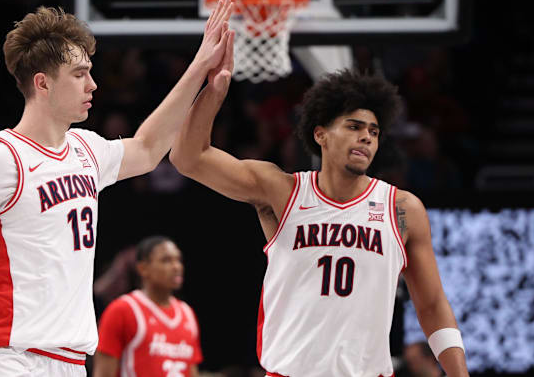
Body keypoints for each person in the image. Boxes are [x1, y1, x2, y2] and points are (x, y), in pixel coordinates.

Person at [0, 0, 234, 377]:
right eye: (79, 74)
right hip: (8, 358)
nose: (93, 83)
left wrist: (201, 67)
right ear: (42, 82)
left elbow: (148, 148)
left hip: (70, 362)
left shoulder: (86, 149)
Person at [169, 48, 469, 376]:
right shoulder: (281, 190)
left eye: (373, 131)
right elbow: (188, 157)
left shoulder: (401, 208)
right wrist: (213, 91)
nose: (366, 137)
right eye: (354, 126)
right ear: (320, 133)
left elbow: (432, 305)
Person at [94, 236, 202, 377]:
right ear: (143, 268)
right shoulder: (122, 310)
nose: (176, 267)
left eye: (178, 260)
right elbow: (103, 373)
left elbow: (191, 371)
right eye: (166, 260)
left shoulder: (187, 313)